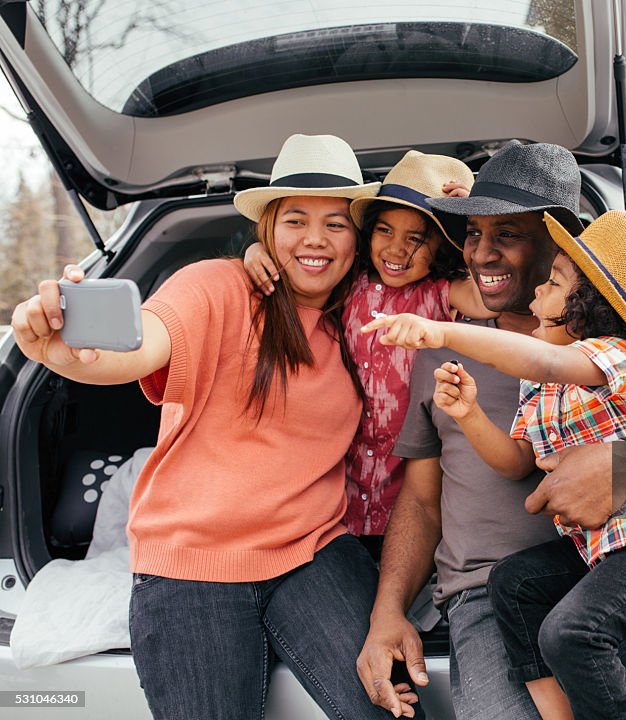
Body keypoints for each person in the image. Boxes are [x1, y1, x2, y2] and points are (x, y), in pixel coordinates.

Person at [356, 140, 626, 720]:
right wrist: (387, 613)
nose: (481, 254)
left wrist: (624, 466)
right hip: (496, 592)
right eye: (472, 235)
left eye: (506, 234)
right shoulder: (444, 352)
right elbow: (425, 500)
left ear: (561, 243)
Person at [11, 134, 418, 720]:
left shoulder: (364, 317)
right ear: (269, 228)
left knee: (393, 712)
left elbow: (454, 275)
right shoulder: (218, 287)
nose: (315, 240)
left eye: (336, 223)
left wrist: (454, 196)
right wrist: (61, 351)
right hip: (191, 564)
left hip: (313, 552)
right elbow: (140, 345)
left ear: (357, 237)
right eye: (296, 219)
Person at [242, 150, 488, 551]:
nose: (395, 250)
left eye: (416, 239)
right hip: (339, 493)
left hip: (410, 486)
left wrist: (473, 228)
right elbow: (302, 269)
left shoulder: (441, 295)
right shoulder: (347, 284)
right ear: (367, 232)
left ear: (443, 246)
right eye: (385, 231)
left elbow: (495, 293)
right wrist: (256, 252)